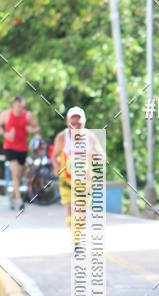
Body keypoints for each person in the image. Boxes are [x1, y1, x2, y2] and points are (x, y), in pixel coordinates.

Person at [51, 106, 103, 247]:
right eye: (72, 123)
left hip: (84, 179)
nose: (76, 126)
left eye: (79, 123)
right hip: (67, 178)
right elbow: (54, 155)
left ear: (84, 122)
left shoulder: (90, 137)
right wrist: (57, 167)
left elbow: (101, 157)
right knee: (70, 207)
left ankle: (78, 235)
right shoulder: (62, 138)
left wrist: (94, 159)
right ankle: (76, 237)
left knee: (81, 209)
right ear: (68, 123)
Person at [0, 95, 40, 210]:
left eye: (22, 106)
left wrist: (31, 129)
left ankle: (11, 196)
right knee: (15, 173)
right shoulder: (6, 115)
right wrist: (5, 134)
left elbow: (37, 128)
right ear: (13, 104)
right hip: (10, 148)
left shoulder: (28, 115)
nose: (19, 108)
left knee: (17, 176)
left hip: (22, 149)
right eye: (18, 105)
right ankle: (19, 200)